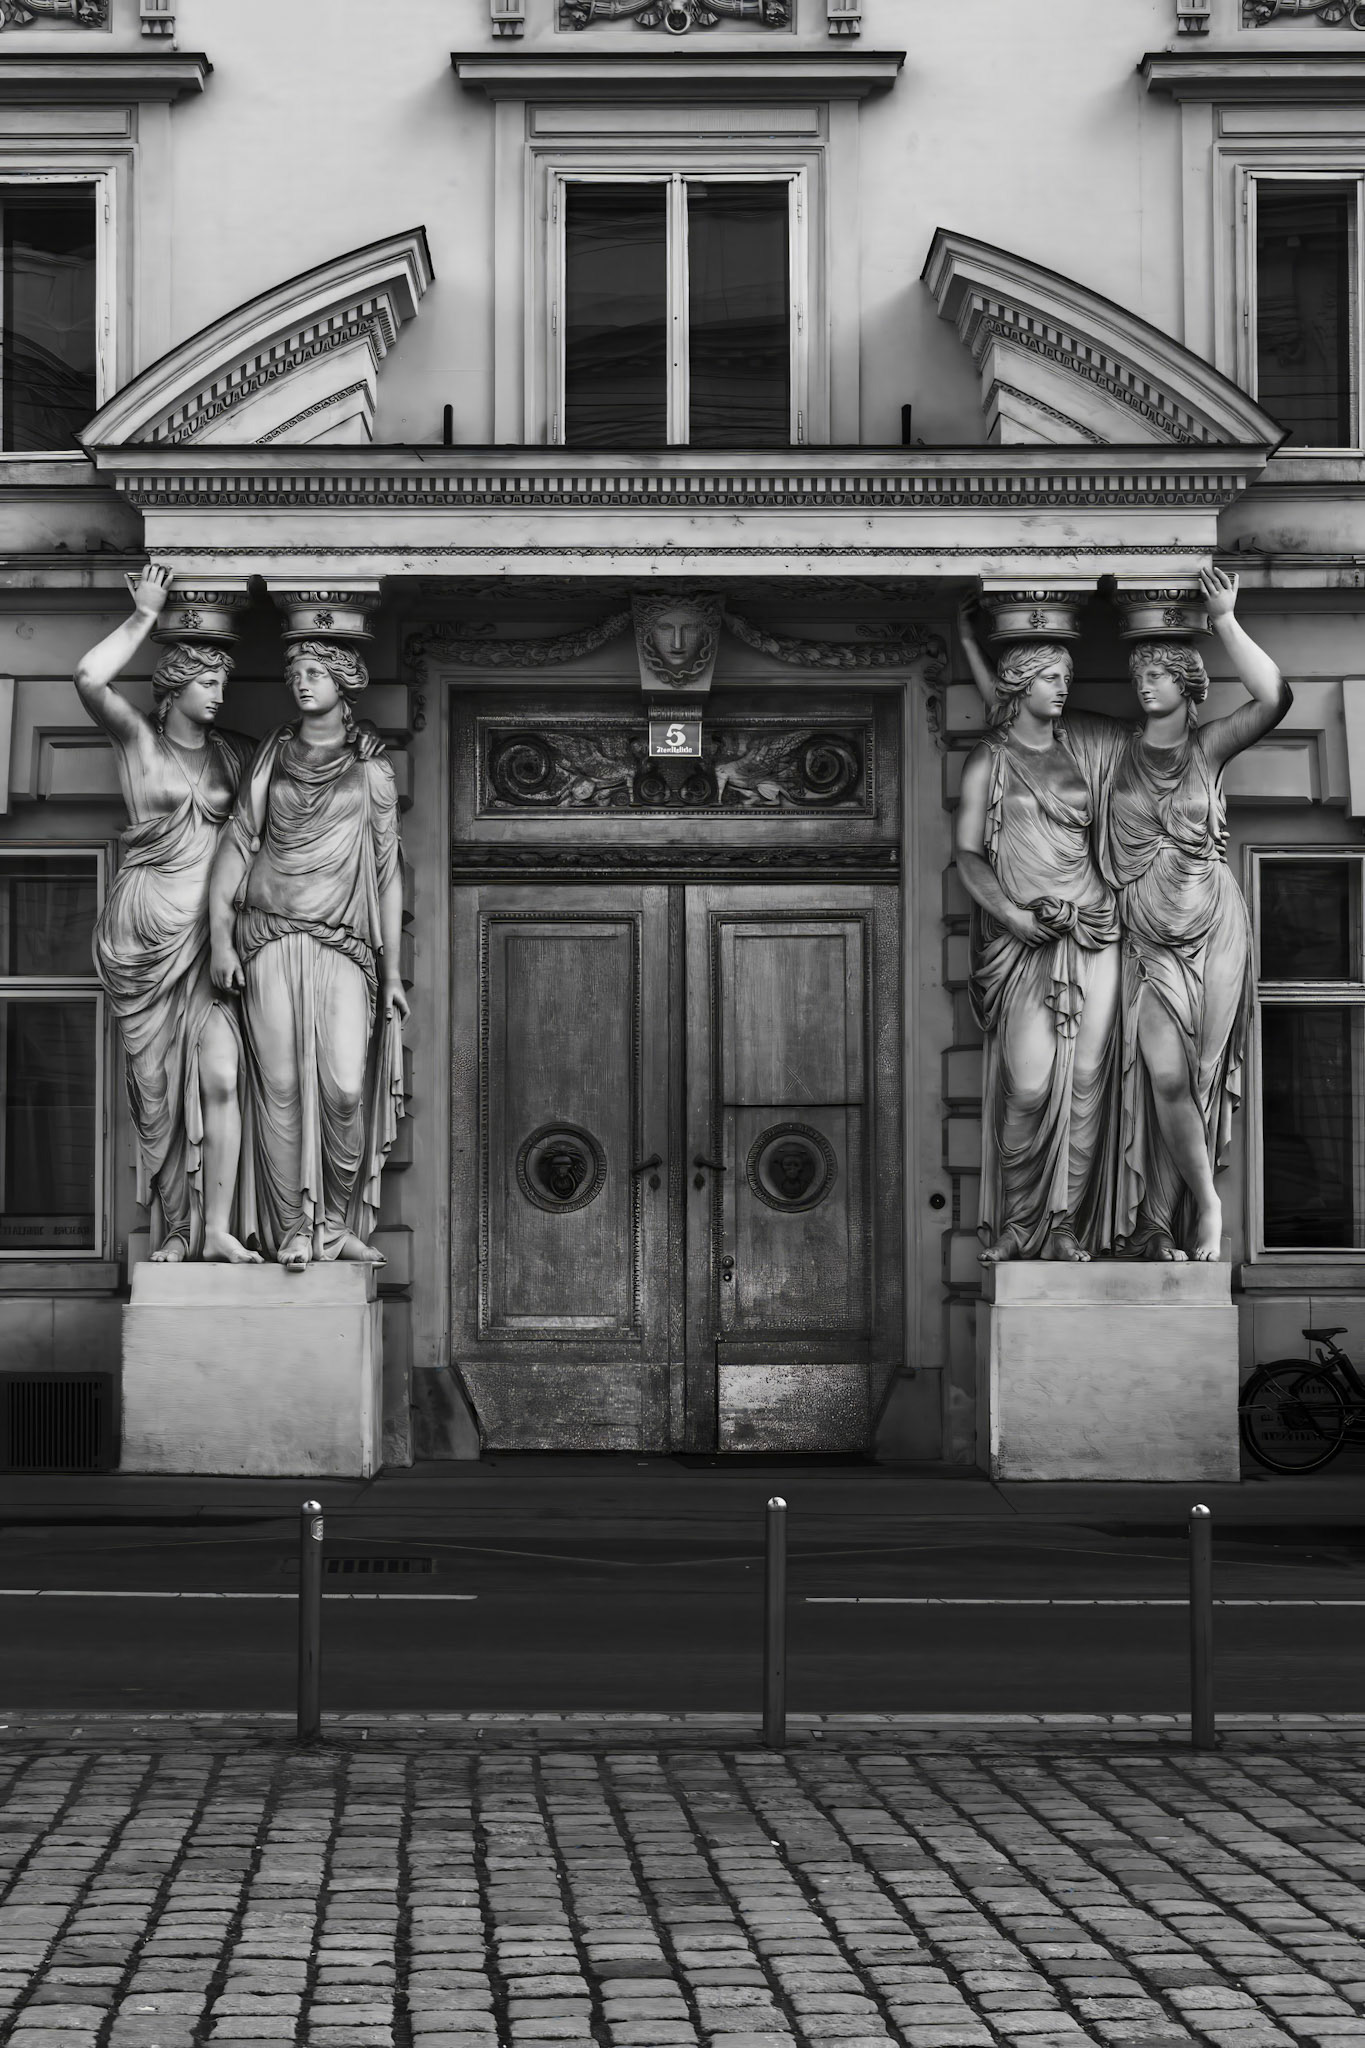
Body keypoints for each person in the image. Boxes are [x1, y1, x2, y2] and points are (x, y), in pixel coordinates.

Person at [963, 566, 1291, 1261]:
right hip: (1141, 937)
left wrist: (1225, 618)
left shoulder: (1207, 750)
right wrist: (969, 640)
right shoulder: (1107, 749)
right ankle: (1123, 1222)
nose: (1143, 682)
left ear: (1188, 684)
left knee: (1187, 1080)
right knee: (1158, 1077)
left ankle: (1184, 1215)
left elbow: (1275, 697)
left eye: (1159, 672)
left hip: (1208, 926)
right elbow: (1010, 710)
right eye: (1139, 672)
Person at [76, 566, 261, 1264]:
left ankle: (216, 1229)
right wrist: (145, 615)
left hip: (209, 940)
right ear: (174, 686)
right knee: (156, 1099)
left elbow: (299, 774)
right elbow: (90, 679)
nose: (219, 695)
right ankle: (179, 1231)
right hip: (145, 937)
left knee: (220, 1077)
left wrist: (358, 747)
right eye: (208, 683)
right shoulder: (140, 747)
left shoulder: (235, 757)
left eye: (222, 684)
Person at [208, 638, 408, 1272]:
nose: (300, 682)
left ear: (342, 682)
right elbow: (238, 844)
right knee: (282, 1087)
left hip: (344, 943)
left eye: (314, 672)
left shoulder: (372, 769)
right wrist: (218, 938)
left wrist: (394, 968)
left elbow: (386, 872)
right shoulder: (271, 755)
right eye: (293, 671)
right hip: (268, 934)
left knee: (344, 1088)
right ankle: (296, 1227)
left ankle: (334, 1221)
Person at [955, 620, 1121, 1262]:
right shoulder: (988, 759)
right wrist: (1015, 917)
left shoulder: (1087, 748)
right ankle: (1021, 1226)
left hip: (1093, 929)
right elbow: (968, 854)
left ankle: (1064, 1227)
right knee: (1028, 1086)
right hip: (1024, 938)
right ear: (1020, 686)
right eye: (1052, 678)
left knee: (1083, 1085)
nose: (1063, 688)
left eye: (1067, 678)